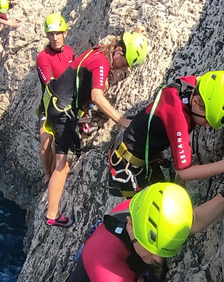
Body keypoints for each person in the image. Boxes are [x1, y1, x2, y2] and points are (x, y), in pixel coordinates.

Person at [108, 46, 224, 197]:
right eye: (208, 120)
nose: (208, 126)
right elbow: (185, 171)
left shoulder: (196, 85)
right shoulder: (178, 116)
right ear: (197, 102)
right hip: (128, 167)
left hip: (141, 151)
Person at [67, 162, 224, 281]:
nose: (159, 259)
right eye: (152, 249)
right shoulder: (106, 269)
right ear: (131, 227)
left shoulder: (145, 210)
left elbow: (195, 220)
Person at [43, 32, 148, 227]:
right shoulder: (102, 63)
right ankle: (52, 215)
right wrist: (121, 120)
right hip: (62, 111)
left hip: (55, 100)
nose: (123, 68)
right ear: (118, 51)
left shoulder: (101, 51)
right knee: (62, 165)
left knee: (60, 154)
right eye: (125, 63)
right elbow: (97, 96)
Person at [35, 14, 75, 185]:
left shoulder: (69, 52)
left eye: (58, 33)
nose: (55, 38)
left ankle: (55, 175)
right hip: (49, 106)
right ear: (47, 36)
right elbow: (50, 85)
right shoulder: (43, 57)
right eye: (51, 34)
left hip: (68, 104)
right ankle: (46, 175)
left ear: (65, 33)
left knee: (59, 145)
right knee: (45, 142)